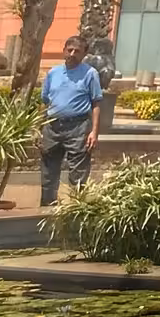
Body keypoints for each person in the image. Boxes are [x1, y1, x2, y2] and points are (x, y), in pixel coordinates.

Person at [39, 36, 104, 206]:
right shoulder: (53, 73)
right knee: (48, 170)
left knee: (78, 172)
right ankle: (47, 205)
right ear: (64, 50)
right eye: (70, 50)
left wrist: (94, 132)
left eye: (77, 51)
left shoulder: (90, 74)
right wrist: (38, 127)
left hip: (78, 127)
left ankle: (76, 208)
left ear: (84, 54)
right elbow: (45, 101)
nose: (72, 54)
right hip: (52, 127)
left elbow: (96, 103)